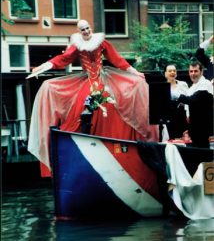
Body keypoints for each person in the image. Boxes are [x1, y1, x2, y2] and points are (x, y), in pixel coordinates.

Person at [27, 19, 159, 175]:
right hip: (87, 80)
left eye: (87, 28)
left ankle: (117, 149)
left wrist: (135, 73)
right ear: (79, 31)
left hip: (103, 79)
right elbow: (62, 60)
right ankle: (82, 148)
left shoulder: (101, 42)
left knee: (118, 100)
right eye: (82, 30)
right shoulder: (77, 45)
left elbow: (117, 60)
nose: (86, 31)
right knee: (73, 103)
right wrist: (44, 67)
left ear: (91, 27)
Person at [177, 61, 213, 148]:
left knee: (202, 153)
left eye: (196, 71)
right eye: (191, 71)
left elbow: (193, 100)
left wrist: (177, 96)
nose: (193, 74)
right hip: (194, 127)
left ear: (201, 72)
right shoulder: (193, 87)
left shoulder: (205, 84)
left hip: (202, 127)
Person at [164, 64, 189, 139]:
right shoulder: (163, 86)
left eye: (174, 71)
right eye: (170, 71)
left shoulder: (183, 84)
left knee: (183, 138)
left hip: (182, 115)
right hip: (169, 117)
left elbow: (188, 100)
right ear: (165, 73)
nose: (172, 72)